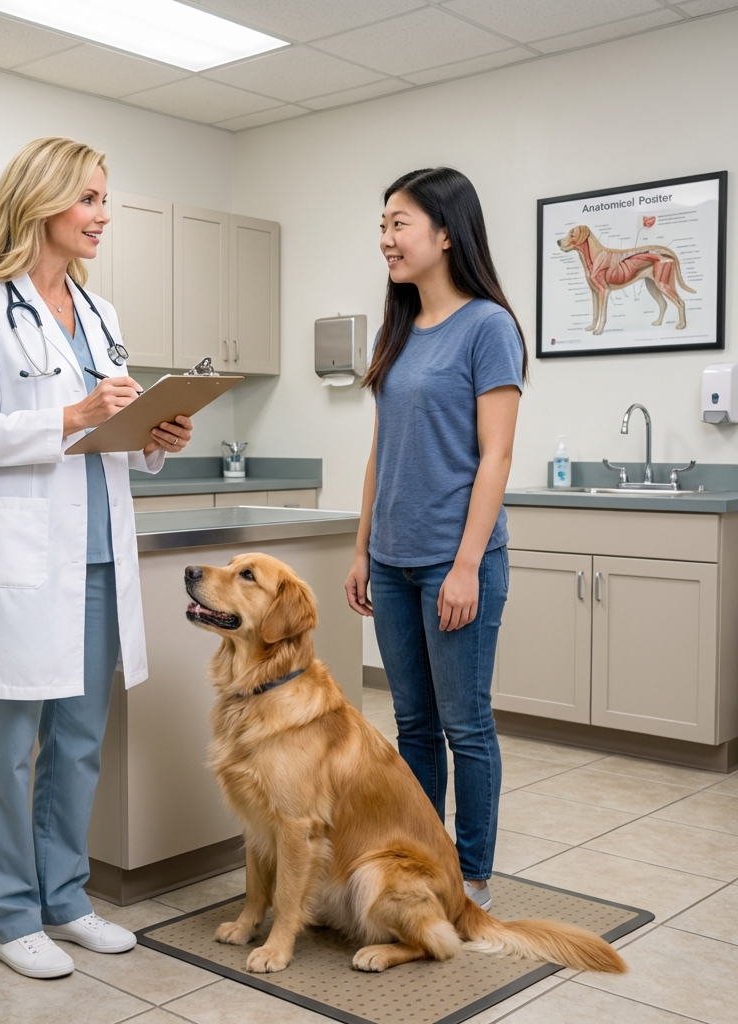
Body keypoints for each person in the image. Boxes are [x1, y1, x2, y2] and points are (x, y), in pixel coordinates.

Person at [0, 137, 193, 979]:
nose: (102, 215)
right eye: (88, 199)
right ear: (44, 201)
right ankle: (7, 915)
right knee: (6, 748)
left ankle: (65, 896)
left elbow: (108, 433)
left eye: (102, 199)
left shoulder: (101, 313)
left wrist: (153, 435)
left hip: (94, 556)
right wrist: (74, 415)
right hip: (21, 557)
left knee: (80, 742)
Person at [345, 167, 525, 913]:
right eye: (383, 224)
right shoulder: (398, 329)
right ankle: (424, 857)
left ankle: (472, 875)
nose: (386, 239)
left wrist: (466, 565)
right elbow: (381, 449)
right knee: (412, 725)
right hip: (392, 561)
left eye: (400, 223)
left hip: (455, 563)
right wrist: (361, 548)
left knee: (465, 725)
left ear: (446, 234)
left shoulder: (488, 327)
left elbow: (497, 455)